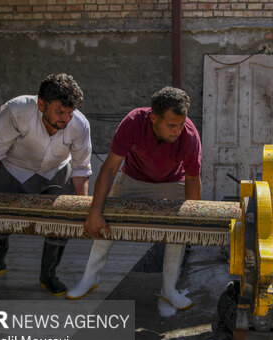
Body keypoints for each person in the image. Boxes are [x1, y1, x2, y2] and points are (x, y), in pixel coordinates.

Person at [67, 86, 201, 310]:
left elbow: (193, 179)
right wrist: (95, 211)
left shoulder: (189, 135)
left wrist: (192, 220)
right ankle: (90, 278)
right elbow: (109, 169)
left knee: (179, 230)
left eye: (181, 124)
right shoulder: (133, 122)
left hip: (173, 182)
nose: (178, 130)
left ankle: (169, 289)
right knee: (104, 218)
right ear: (154, 118)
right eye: (171, 125)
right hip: (133, 178)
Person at [0, 73, 92, 295]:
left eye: (70, 113)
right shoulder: (15, 111)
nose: (66, 118)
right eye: (60, 112)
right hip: (13, 167)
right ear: (41, 104)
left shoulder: (79, 125)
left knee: (60, 222)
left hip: (56, 171)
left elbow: (81, 167)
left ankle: (48, 275)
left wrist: (83, 204)